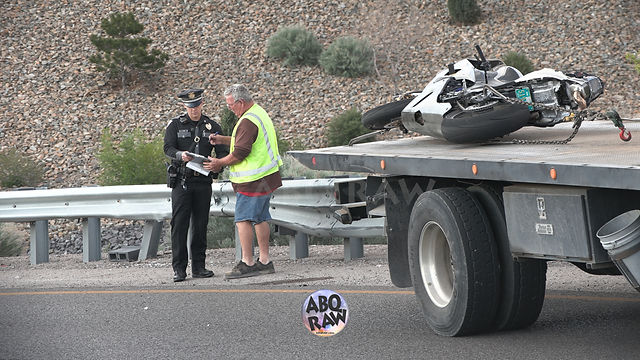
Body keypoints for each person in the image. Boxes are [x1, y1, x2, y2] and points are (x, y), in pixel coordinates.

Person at [206, 84, 282, 279]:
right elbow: (244, 140)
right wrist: (223, 140)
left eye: (230, 105)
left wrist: (219, 163)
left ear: (240, 102)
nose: (229, 108)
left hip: (252, 180)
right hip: (267, 177)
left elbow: (241, 151)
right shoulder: (258, 113)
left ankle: (247, 262)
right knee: (261, 218)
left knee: (243, 220)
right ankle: (264, 261)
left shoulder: (247, 121)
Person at [164, 88, 229, 282]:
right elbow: (168, 147)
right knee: (179, 225)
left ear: (202, 104)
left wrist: (217, 166)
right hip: (182, 181)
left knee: (201, 225)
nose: (194, 110)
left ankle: (199, 267)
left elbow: (224, 152)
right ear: (184, 106)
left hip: (203, 182)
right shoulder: (175, 125)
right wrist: (180, 155)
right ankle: (179, 269)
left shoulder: (212, 126)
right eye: (190, 107)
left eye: (197, 105)